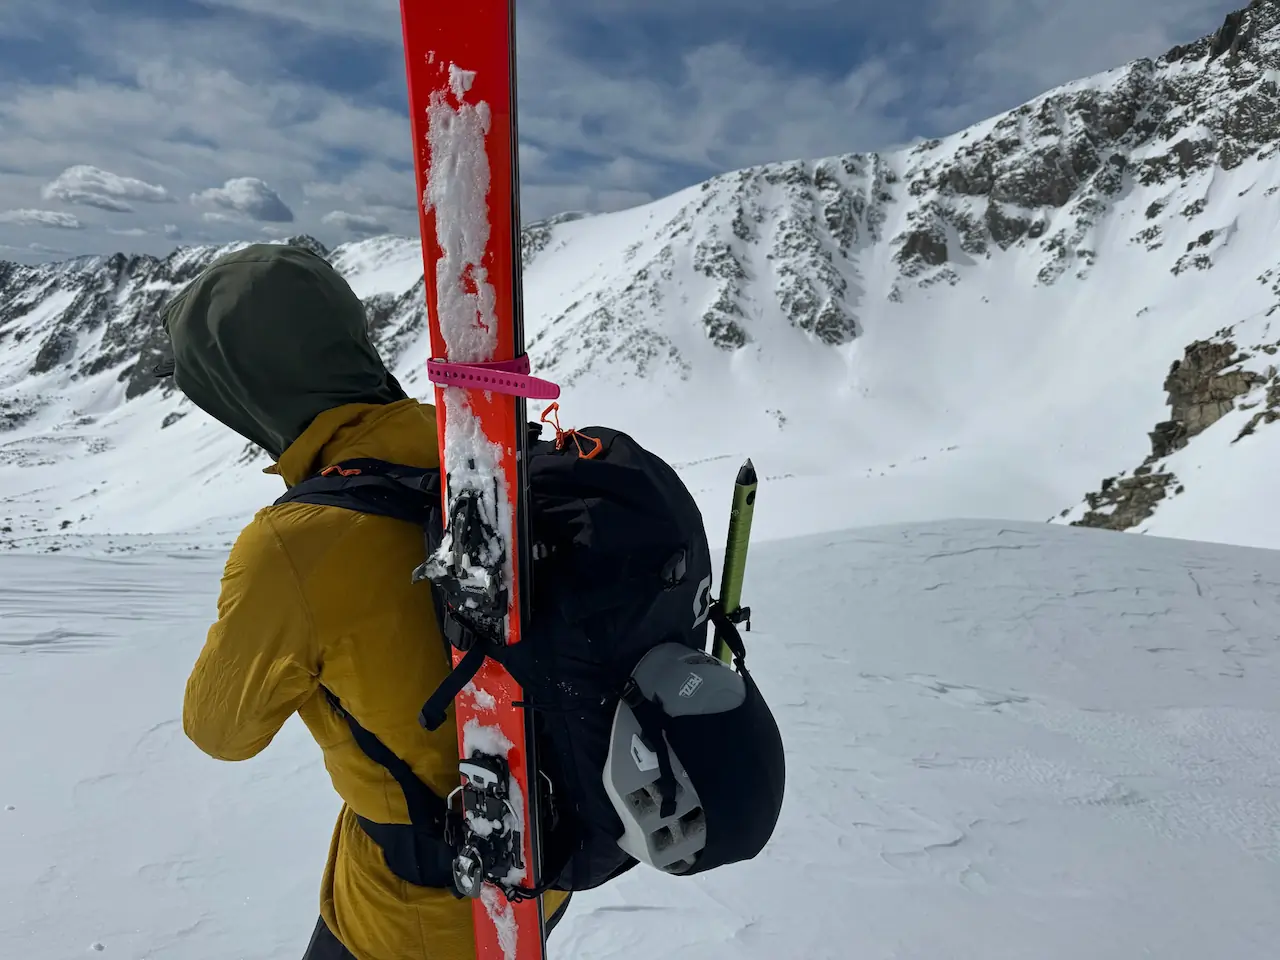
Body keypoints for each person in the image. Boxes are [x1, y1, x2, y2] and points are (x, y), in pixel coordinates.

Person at [161, 243, 569, 960]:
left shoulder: (294, 546)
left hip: (413, 915)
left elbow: (221, 731)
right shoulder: (480, 443)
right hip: (550, 863)